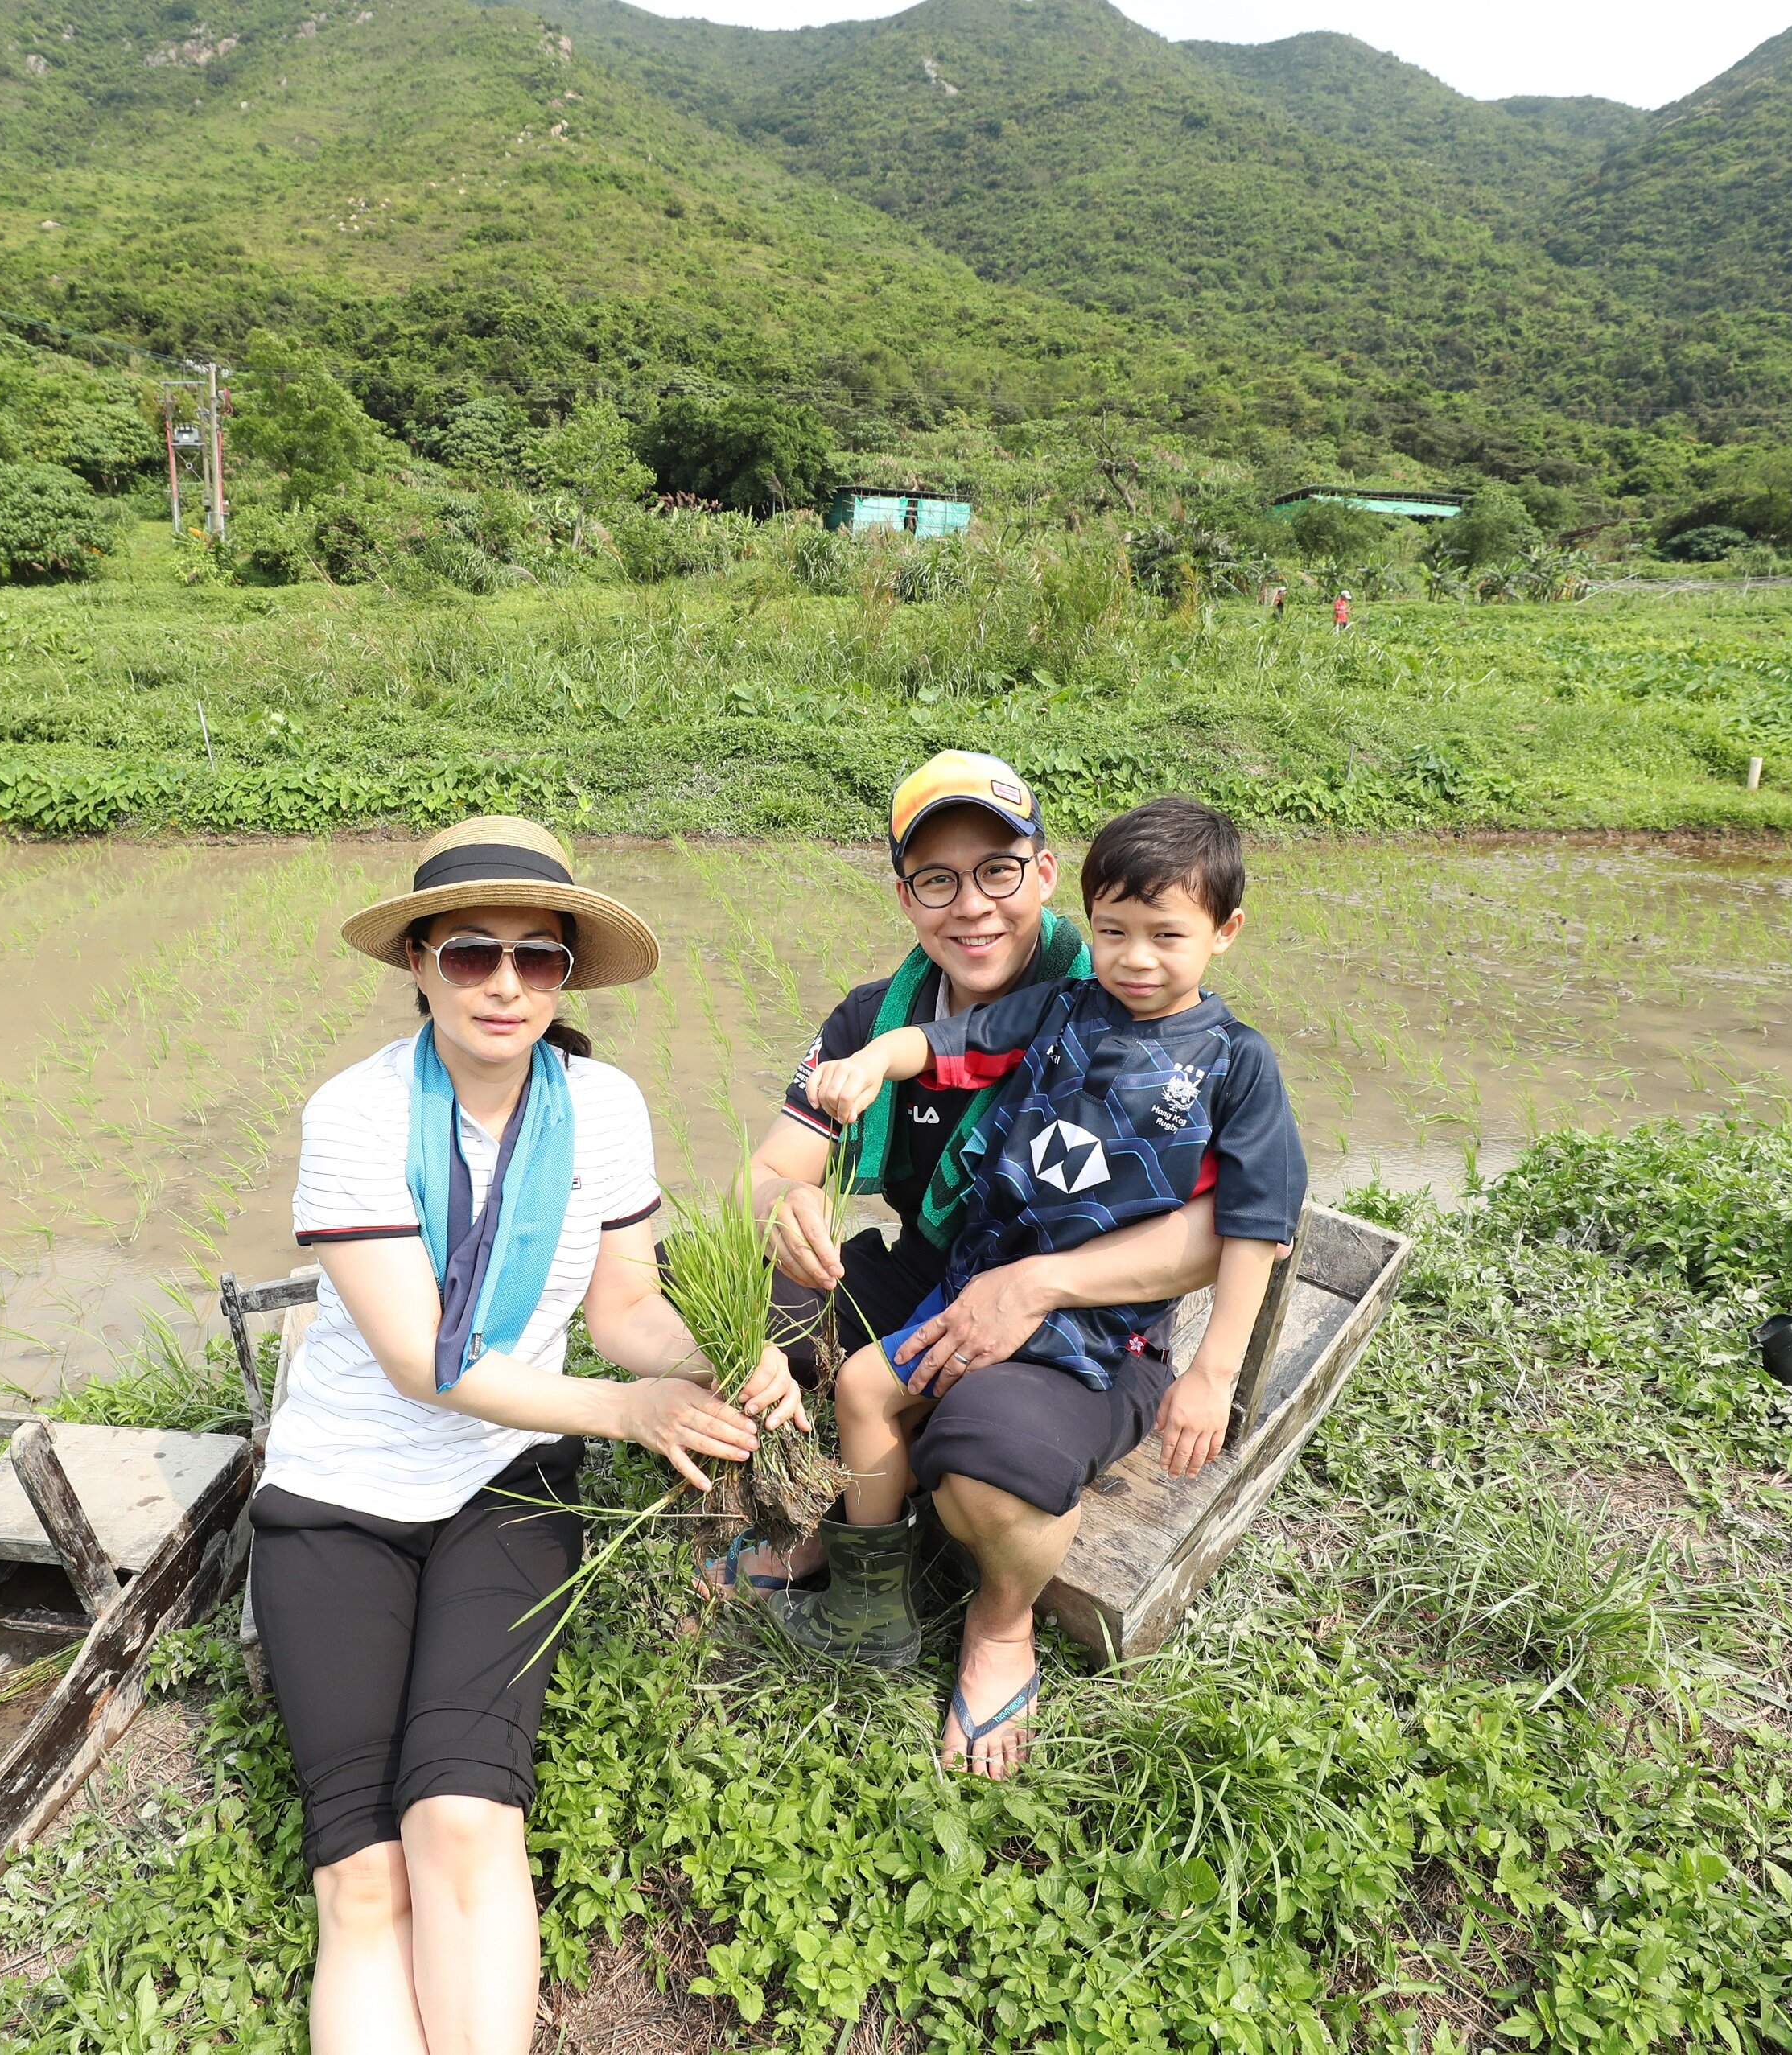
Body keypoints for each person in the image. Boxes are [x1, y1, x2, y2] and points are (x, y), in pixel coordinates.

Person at [255, 815, 805, 2055]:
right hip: (337, 1491)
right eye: (469, 954)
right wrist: (622, 1409)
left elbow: (619, 1307)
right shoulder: (353, 1113)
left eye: (535, 958)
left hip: (507, 1479)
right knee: (359, 1877)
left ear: (566, 975)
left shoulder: (600, 1104)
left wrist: (722, 1353)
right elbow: (420, 1360)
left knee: (459, 1817)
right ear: (417, 964)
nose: (504, 984)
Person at [730, 752, 1230, 1778]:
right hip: (932, 1265)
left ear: (1046, 876)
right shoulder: (874, 1019)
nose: (973, 907)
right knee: (716, 1299)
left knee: (983, 1467)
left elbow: (1217, 1231)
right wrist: (787, 1205)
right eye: (938, 879)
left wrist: (1037, 1284)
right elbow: (777, 1162)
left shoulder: (1124, 1005)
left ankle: (998, 1626)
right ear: (906, 895)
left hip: (1089, 1312)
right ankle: (838, 1522)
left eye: (998, 870)